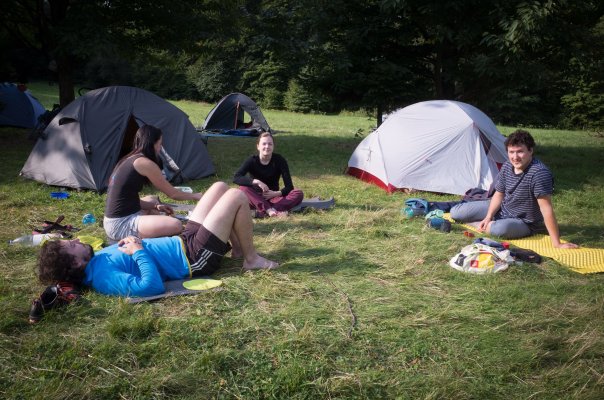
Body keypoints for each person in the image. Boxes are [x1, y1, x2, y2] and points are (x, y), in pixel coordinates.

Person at [38, 182, 279, 297]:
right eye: (71, 245)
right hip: (192, 258)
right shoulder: (102, 278)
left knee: (218, 187)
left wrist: (132, 242)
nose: (77, 239)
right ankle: (251, 258)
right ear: (75, 264)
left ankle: (237, 250)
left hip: (182, 241)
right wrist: (139, 251)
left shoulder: (94, 260)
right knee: (236, 196)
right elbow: (150, 287)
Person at [450, 129, 578, 249]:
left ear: (530, 151)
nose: (515, 157)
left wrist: (557, 243)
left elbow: (546, 208)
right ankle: (488, 223)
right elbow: (499, 194)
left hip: (524, 222)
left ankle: (487, 225)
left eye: (520, 151)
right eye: (511, 152)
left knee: (500, 230)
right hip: (502, 209)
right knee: (456, 213)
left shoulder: (539, 173)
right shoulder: (507, 166)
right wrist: (489, 216)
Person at [104, 125, 202, 242]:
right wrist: (196, 196)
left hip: (114, 218)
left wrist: (155, 206)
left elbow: (128, 199)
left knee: (152, 199)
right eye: (160, 144)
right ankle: (152, 229)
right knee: (176, 225)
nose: (160, 148)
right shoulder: (145, 163)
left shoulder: (129, 158)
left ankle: (153, 220)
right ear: (152, 144)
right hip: (120, 225)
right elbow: (173, 194)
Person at [233, 132, 303, 218]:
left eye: (270, 144)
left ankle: (263, 212)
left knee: (298, 193)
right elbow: (236, 177)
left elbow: (289, 187)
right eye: (264, 144)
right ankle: (270, 210)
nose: (267, 146)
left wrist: (276, 193)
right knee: (242, 188)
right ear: (258, 146)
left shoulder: (279, 160)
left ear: (273, 146)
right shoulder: (252, 160)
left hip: (274, 198)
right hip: (256, 198)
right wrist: (256, 181)